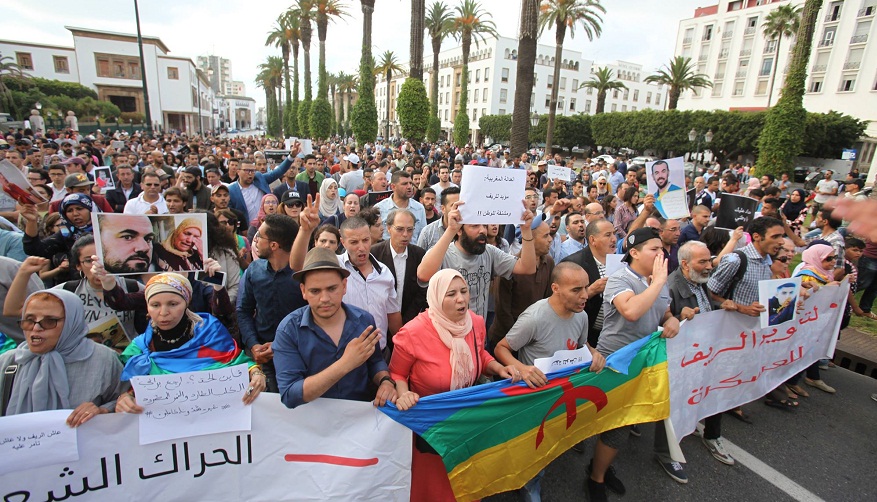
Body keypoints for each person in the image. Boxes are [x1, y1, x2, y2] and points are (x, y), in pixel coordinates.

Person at [389, 269, 520, 501]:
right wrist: (404, 393)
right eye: (451, 294)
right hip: (431, 424)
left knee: (466, 480)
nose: (461, 299)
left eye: (464, 292)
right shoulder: (412, 332)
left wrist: (500, 369)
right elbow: (397, 373)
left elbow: (480, 354)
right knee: (436, 486)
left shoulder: (476, 323)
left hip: (468, 418)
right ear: (436, 297)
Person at [494, 261, 607, 500]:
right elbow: (501, 348)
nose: (585, 295)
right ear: (555, 288)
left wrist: (593, 353)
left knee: (547, 443)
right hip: (534, 397)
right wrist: (523, 369)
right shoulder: (534, 317)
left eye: (586, 288)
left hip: (562, 395)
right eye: (576, 290)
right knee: (531, 444)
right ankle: (527, 484)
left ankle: (532, 477)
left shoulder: (582, 316)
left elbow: (581, 344)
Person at [587, 227, 681, 500]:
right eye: (654, 249)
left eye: (662, 249)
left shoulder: (656, 281)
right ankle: (595, 475)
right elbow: (631, 311)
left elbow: (662, 310)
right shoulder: (620, 279)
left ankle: (599, 472)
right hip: (612, 363)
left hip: (641, 365)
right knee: (606, 423)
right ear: (634, 252)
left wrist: (671, 319)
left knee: (621, 425)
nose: (660, 254)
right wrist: (657, 283)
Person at [115, 273, 266, 413]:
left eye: (173, 304)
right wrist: (125, 398)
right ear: (147, 307)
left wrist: (257, 373)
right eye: (155, 305)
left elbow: (237, 362)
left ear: (186, 303)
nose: (163, 312)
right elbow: (129, 388)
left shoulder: (209, 332)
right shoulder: (140, 348)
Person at [272, 247, 398, 409]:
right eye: (315, 291)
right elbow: (290, 394)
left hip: (360, 421)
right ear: (303, 291)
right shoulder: (288, 330)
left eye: (332, 289)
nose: (324, 298)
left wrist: (385, 381)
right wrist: (344, 364)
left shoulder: (364, 321)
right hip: (313, 424)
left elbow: (375, 361)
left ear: (344, 286)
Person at [0, 289, 126, 424]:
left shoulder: (103, 359)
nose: (36, 328)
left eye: (49, 321)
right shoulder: (10, 361)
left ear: (71, 323)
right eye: (29, 320)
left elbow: (125, 400)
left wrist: (102, 410)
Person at [666, 240, 737, 466]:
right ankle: (668, 450)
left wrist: (720, 307)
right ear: (685, 264)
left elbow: (704, 308)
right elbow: (661, 324)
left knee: (713, 389)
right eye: (703, 261)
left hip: (706, 352)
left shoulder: (699, 281)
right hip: (685, 358)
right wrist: (677, 317)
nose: (709, 266)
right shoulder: (671, 287)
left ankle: (712, 435)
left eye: (710, 260)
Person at [417, 199, 537, 318]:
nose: (482, 230)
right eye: (475, 226)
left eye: (484, 225)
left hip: (478, 333)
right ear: (460, 230)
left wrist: (526, 230)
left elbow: (528, 267)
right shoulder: (443, 253)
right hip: (446, 333)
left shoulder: (490, 252)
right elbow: (423, 275)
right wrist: (450, 230)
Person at [237, 214, 306, 392]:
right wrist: (253, 345)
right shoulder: (254, 269)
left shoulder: (303, 276)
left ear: (274, 245)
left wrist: (278, 346)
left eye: (259, 236)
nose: (255, 240)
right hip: (261, 357)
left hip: (298, 356)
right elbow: (243, 311)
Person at [562, 219, 615, 348]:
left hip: (613, 334)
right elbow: (562, 302)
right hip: (584, 337)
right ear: (592, 240)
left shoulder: (619, 262)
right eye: (608, 235)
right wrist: (591, 291)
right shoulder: (574, 264)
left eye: (614, 234)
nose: (614, 239)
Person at [371, 209, 428, 325]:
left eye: (410, 230)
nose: (405, 234)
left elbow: (422, 291)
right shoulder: (374, 254)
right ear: (389, 228)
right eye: (400, 229)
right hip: (380, 321)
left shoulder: (419, 255)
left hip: (411, 321)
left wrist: (406, 320)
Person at [375, 171, 428, 241]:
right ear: (393, 187)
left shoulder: (419, 208)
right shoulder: (379, 209)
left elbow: (423, 237)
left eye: (410, 183)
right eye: (404, 184)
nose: (409, 187)